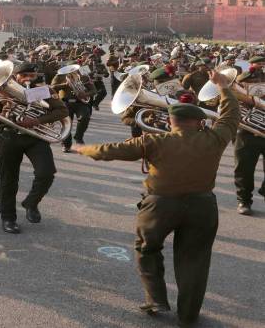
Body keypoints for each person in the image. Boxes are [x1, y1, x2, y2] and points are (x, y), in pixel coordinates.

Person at [73, 71, 239, 326]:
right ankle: (188, 315)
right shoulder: (215, 138)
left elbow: (114, 150)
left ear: (171, 121)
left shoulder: (155, 140)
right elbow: (230, 115)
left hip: (159, 206)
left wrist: (87, 149)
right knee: (194, 260)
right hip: (203, 206)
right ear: (199, 122)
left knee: (147, 249)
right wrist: (223, 87)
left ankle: (157, 300)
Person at [0, 62, 69, 233]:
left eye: (32, 76)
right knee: (8, 180)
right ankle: (8, 218)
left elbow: (62, 112)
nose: (28, 79)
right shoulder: (1, 91)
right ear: (15, 76)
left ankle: (31, 203)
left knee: (47, 172)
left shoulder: (45, 91)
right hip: (9, 136)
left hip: (35, 137)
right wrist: (3, 108)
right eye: (24, 75)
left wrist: (37, 120)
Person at [234, 56, 265, 215]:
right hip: (247, 131)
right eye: (257, 63)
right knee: (244, 170)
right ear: (250, 64)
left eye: (263, 63)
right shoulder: (243, 77)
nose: (260, 66)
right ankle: (244, 201)